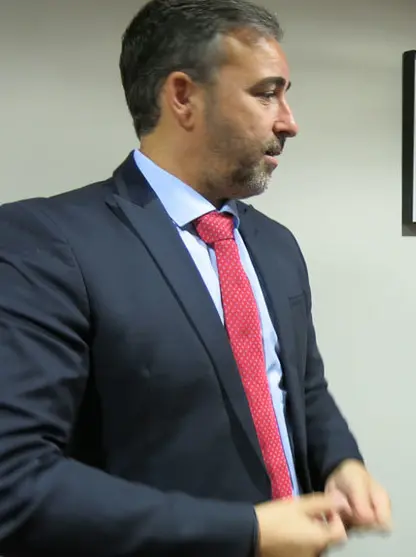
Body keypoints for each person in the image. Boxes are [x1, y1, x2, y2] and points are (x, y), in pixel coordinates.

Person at [0, 0, 391, 555]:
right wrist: (249, 533)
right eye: (266, 92)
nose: (289, 120)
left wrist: (341, 461)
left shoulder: (275, 246)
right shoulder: (44, 245)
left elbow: (301, 388)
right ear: (183, 96)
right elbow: (15, 482)